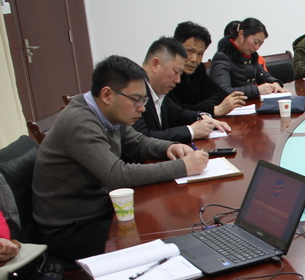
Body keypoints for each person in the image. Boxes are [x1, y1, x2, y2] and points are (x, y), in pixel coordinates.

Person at [32, 55, 208, 262]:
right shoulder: (80, 122)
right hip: (71, 229)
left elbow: (138, 142)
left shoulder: (107, 113)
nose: (142, 108)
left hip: (100, 210)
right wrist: (183, 167)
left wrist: (170, 147)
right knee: (162, 240)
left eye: (144, 100)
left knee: (169, 223)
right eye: (136, 100)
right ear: (107, 95)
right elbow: (117, 175)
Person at [134, 37, 231, 143]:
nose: (178, 80)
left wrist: (202, 117)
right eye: (176, 72)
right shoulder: (133, 93)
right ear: (155, 64)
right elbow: (141, 139)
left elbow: (177, 113)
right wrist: (191, 131)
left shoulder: (158, 91)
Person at [167, 21, 247, 117]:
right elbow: (175, 111)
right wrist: (212, 110)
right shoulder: (167, 74)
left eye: (200, 54)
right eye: (189, 51)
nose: (194, 60)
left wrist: (202, 109)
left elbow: (220, 94)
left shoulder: (199, 69)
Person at [211, 18, 285, 99]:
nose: (257, 47)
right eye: (255, 42)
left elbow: (262, 75)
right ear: (241, 34)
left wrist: (274, 83)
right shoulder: (222, 57)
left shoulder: (251, 56)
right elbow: (223, 91)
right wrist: (257, 90)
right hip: (233, 106)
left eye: (260, 44)